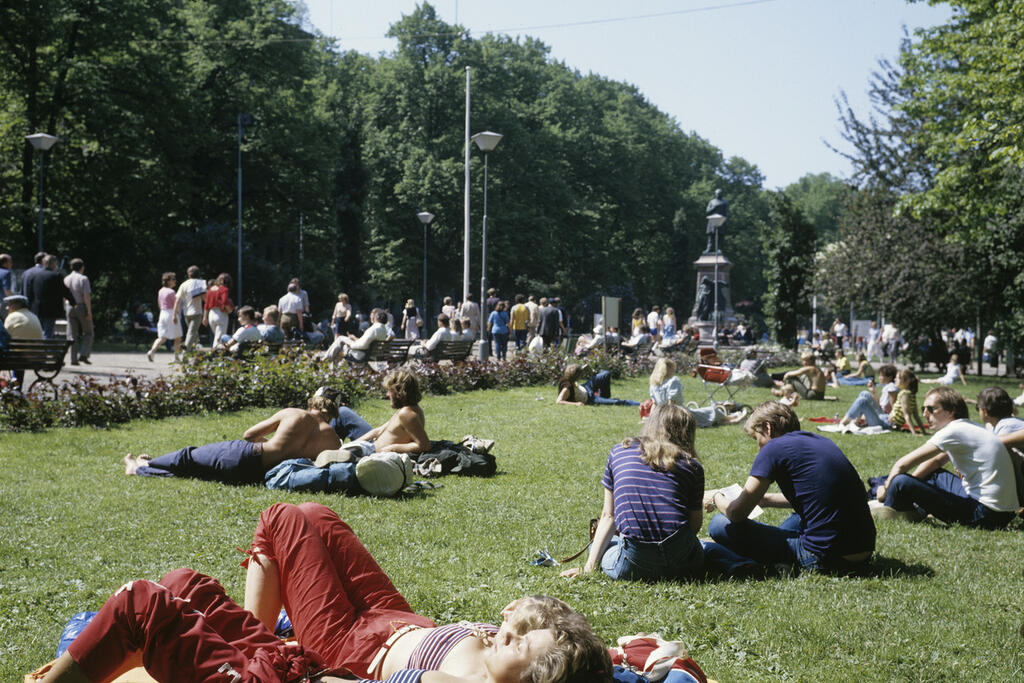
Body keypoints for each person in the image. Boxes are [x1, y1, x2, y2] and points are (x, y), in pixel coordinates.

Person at [38, 502, 613, 683]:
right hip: (398, 618)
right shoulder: (503, 656)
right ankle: (251, 640)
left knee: (283, 517)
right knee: (312, 514)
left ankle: (254, 639)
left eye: (517, 643)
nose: (505, 628)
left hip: (353, 649)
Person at [704, 401, 876, 574]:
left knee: (719, 524)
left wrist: (715, 497)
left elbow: (736, 513)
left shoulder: (772, 448)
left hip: (825, 556)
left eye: (757, 438)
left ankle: (772, 560)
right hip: (863, 550)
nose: (758, 448)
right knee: (795, 520)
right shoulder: (820, 440)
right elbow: (817, 495)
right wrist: (765, 499)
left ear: (768, 428)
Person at [560, 403, 707, 581]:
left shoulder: (620, 452)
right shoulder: (693, 466)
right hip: (682, 563)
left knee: (598, 546)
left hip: (632, 563)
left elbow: (608, 516)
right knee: (706, 546)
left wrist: (589, 567)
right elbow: (694, 527)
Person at [123, 388, 341, 483]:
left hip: (245, 456)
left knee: (188, 456)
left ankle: (140, 467)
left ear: (314, 400)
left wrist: (273, 442)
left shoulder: (295, 414)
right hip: (260, 474)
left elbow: (249, 435)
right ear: (334, 410)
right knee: (196, 473)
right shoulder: (332, 439)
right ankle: (146, 468)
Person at [872, 386, 1019, 527]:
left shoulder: (953, 430)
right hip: (1002, 513)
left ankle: (889, 508)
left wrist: (885, 489)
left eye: (931, 409)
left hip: (983, 514)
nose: (925, 414)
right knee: (933, 475)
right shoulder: (970, 427)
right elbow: (936, 461)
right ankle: (913, 509)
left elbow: (902, 465)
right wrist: (915, 484)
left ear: (951, 411)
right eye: (924, 409)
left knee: (900, 481)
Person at [325, 369, 431, 462]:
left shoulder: (408, 414)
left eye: (390, 391)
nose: (387, 395)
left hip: (373, 453)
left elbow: (424, 445)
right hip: (371, 445)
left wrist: (391, 448)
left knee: (341, 416)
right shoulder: (405, 409)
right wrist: (354, 444)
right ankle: (331, 450)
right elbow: (378, 431)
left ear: (399, 392)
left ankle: (325, 451)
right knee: (343, 412)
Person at [648, 357, 746, 427]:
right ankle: (731, 419)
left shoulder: (654, 384)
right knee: (711, 411)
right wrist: (670, 421)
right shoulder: (673, 381)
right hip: (676, 414)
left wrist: (652, 420)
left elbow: (654, 404)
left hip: (662, 415)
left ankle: (729, 419)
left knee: (702, 414)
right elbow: (671, 403)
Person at [837, 364, 899, 430]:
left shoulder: (891, 387)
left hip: (885, 420)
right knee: (864, 393)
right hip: (880, 415)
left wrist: (894, 423)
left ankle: (844, 423)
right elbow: (879, 406)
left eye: (881, 375)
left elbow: (894, 407)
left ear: (889, 377)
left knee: (862, 401)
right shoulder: (887, 387)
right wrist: (873, 391)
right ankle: (855, 422)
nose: (879, 377)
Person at [3, 294, 43, 388]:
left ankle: (14, 388)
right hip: (35, 357)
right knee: (19, 356)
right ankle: (16, 388)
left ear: (16, 305)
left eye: (9, 305)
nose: (7, 308)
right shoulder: (34, 316)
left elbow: (4, 337)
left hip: (17, 358)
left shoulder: (12, 317)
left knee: (15, 355)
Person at [31, 254, 74, 339]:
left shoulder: (36, 275)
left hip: (37, 309)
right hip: (50, 310)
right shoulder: (56, 275)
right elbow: (64, 291)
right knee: (48, 332)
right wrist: (73, 302)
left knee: (41, 331)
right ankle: (46, 351)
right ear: (53, 263)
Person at [556, 363, 639, 407]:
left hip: (585, 387)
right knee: (617, 402)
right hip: (589, 398)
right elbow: (559, 401)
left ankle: (605, 398)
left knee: (606, 374)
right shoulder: (567, 388)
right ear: (576, 376)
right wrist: (576, 404)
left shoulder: (569, 377)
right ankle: (640, 404)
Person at [324, 309, 390, 363]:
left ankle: (325, 360)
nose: (372, 317)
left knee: (340, 342)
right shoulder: (383, 330)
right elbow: (365, 342)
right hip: (368, 353)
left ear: (377, 318)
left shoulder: (374, 329)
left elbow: (362, 345)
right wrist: (354, 339)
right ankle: (326, 360)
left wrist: (350, 345)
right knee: (340, 339)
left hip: (360, 354)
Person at [61, 257, 93, 365]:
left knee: (72, 335)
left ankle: (73, 359)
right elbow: (86, 296)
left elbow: (64, 296)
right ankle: (83, 354)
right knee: (88, 332)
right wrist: (89, 311)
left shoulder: (66, 279)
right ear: (82, 267)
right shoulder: (83, 279)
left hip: (69, 307)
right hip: (81, 306)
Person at [147, 272, 182, 362]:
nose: (175, 281)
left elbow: (159, 303)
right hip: (171, 313)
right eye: (173, 279)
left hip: (162, 313)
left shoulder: (161, 291)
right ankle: (176, 357)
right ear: (168, 281)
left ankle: (152, 352)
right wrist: (175, 315)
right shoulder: (172, 292)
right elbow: (176, 305)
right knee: (178, 337)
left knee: (162, 337)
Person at [174, 265, 207, 350]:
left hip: (186, 313)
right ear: (199, 274)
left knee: (193, 332)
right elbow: (205, 298)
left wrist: (174, 314)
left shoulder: (183, 284)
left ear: (188, 274)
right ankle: (186, 352)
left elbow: (177, 300)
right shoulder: (201, 283)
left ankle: (196, 349)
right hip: (197, 312)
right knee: (192, 332)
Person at [886, 369, 927, 435]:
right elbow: (916, 416)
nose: (894, 379)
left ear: (907, 381)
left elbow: (907, 415)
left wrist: (915, 433)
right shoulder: (911, 394)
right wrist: (922, 431)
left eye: (898, 378)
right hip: (889, 421)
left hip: (889, 422)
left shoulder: (904, 394)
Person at [203, 273, 234, 344]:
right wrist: (229, 310)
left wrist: (205, 317)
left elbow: (206, 304)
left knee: (217, 336)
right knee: (219, 338)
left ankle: (216, 351)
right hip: (221, 314)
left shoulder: (211, 290)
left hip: (211, 314)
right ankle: (216, 353)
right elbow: (225, 301)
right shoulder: (224, 289)